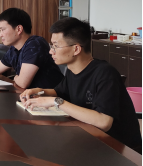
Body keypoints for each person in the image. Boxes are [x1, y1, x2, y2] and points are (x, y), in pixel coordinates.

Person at [20, 18, 142, 153]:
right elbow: (59, 92)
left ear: (76, 49)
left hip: (120, 150)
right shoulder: (72, 71)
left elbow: (104, 122)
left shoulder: (105, 73)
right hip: (91, 139)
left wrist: (55, 102)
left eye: (56, 46)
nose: (51, 51)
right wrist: (39, 91)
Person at [0, 8, 63, 90]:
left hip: (54, 100)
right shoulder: (14, 49)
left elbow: (23, 83)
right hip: (33, 98)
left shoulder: (35, 44)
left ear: (19, 29)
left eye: (3, 29)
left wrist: (16, 77)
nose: (0, 34)